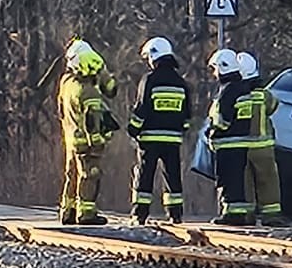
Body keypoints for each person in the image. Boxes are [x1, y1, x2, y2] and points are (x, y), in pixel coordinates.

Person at [127, 36, 191, 225]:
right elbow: (187, 114)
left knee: (145, 175)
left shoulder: (149, 80)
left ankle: (140, 214)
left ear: (154, 56)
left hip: (150, 138)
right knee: (173, 176)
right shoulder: (181, 83)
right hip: (173, 140)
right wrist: (180, 131)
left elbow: (142, 108)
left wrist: (133, 128)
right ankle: (175, 214)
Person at [57, 39, 119, 225]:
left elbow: (61, 110)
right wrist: (98, 143)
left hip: (70, 138)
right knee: (90, 175)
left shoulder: (66, 83)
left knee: (72, 174)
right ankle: (86, 213)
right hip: (86, 142)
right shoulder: (88, 92)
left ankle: (68, 211)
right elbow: (93, 120)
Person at [233, 51, 283, 228]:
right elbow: (273, 106)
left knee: (245, 182)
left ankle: (247, 215)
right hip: (264, 147)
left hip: (241, 146)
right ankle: (272, 216)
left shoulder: (234, 94)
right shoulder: (264, 95)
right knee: (268, 180)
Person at [205, 48, 254, 223]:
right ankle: (238, 214)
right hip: (241, 141)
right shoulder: (243, 88)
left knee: (225, 179)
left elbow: (222, 119)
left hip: (227, 142)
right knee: (237, 180)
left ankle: (229, 214)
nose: (214, 73)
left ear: (223, 67)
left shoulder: (228, 90)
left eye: (215, 68)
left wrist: (211, 131)